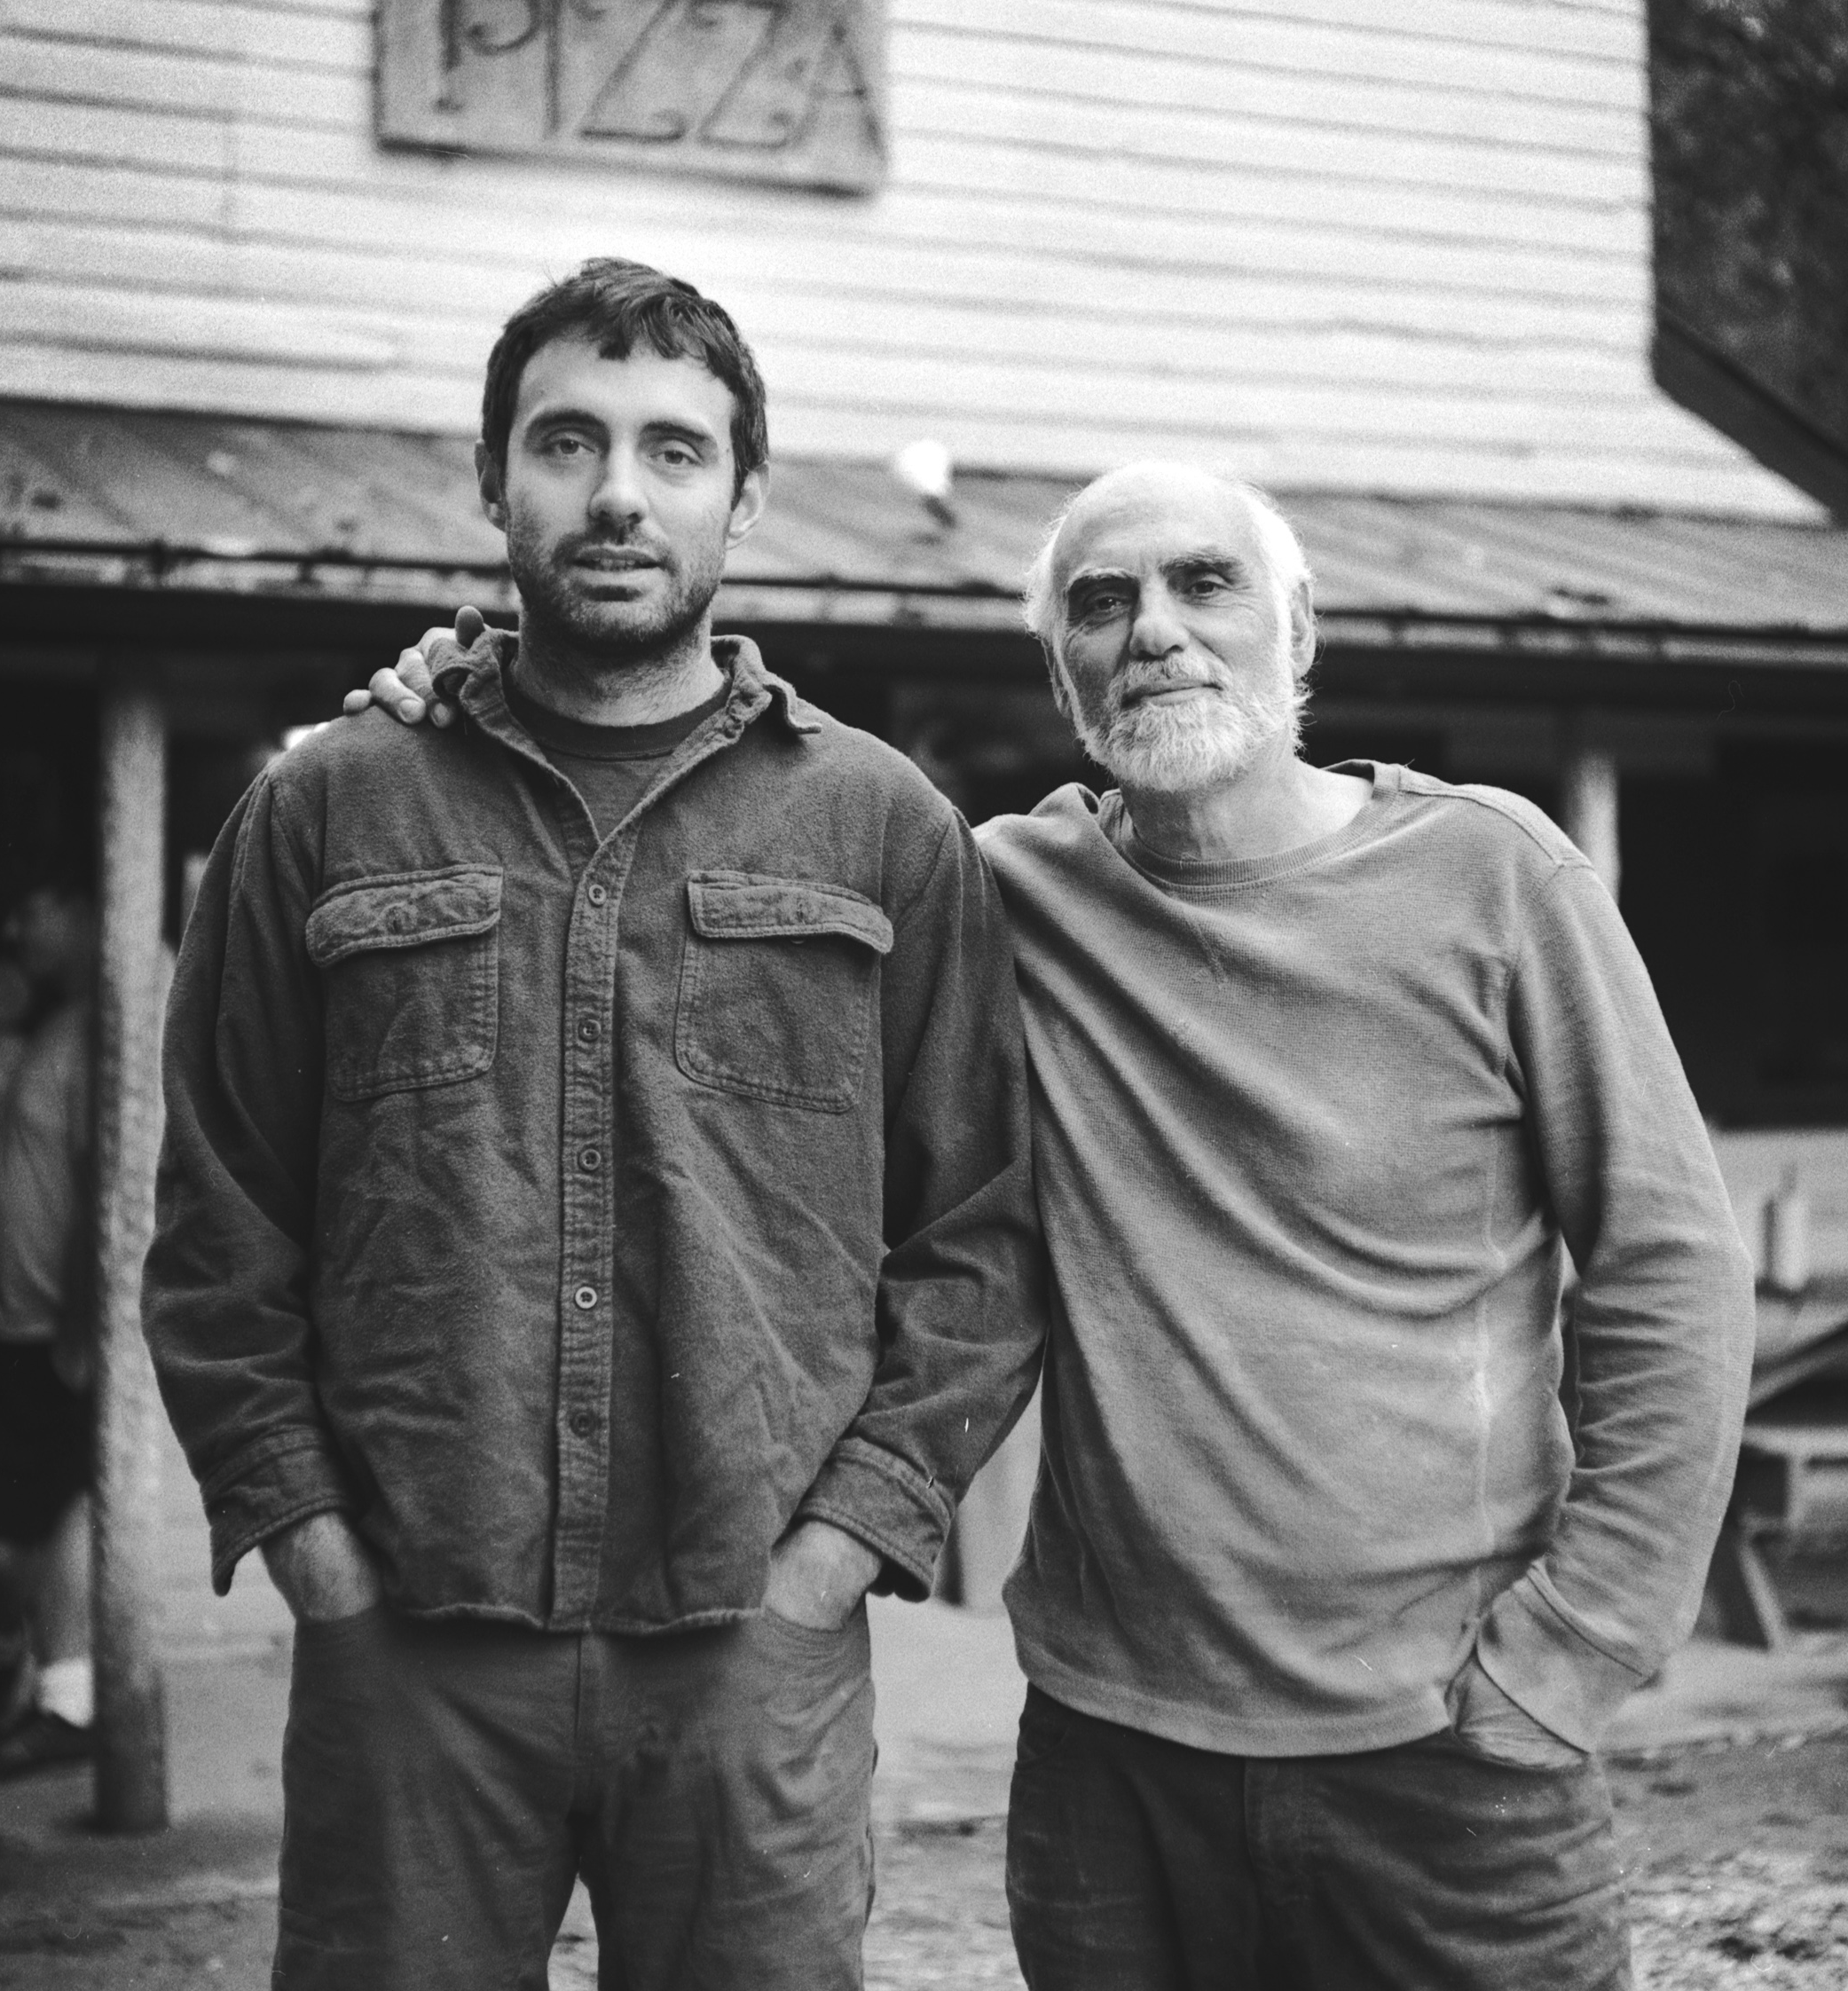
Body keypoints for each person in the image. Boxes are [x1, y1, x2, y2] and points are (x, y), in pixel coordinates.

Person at [374, 457, 1755, 1990]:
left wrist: (1578, 1645)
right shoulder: (1005, 894)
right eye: (1102, 604)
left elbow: (1669, 1264)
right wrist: (473, 700)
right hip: (1110, 1757)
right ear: (1062, 667)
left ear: (1299, 632)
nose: (1154, 628)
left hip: (1446, 1744)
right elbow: (692, 875)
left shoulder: (1497, 878)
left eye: (1203, 583)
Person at [145, 258, 1045, 1991]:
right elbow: (218, 1217)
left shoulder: (878, 828)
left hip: (748, 1646)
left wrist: (841, 1540)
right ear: (494, 480)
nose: (618, 491)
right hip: (407, 1639)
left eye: (674, 450)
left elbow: (981, 1235)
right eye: (567, 441)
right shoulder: (327, 805)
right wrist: (312, 1543)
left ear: (745, 495)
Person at [0, 885, 100, 1784]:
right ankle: (58, 1691)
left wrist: (82, 1328)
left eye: (29, 906)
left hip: (50, 1330)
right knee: (42, 1516)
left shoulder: (105, 1021)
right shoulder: (65, 1020)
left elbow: (108, 1177)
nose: (13, 928)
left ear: (81, 902)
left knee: (8, 1542)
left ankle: (11, 1653)